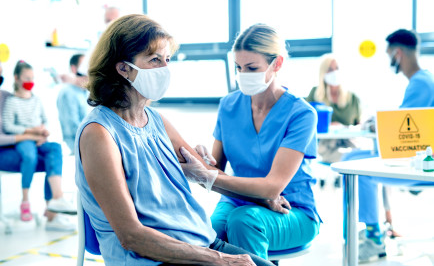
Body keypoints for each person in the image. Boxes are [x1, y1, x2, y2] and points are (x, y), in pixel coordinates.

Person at [75, 13, 278, 266]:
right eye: (154, 60)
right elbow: (131, 236)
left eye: (167, 60)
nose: (165, 69)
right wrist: (220, 260)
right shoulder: (99, 134)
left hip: (200, 243)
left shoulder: (156, 120)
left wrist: (260, 197)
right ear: (123, 68)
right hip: (152, 258)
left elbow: (207, 173)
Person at [193, 24, 321, 263]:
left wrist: (208, 175)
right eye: (238, 68)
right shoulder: (228, 106)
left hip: (293, 210)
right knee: (207, 233)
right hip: (235, 200)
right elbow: (213, 173)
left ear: (277, 64)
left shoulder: (301, 114)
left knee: (244, 221)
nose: (243, 75)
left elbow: (272, 187)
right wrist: (202, 162)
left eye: (252, 68)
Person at [349, 29, 434, 263]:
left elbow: (404, 129)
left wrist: (377, 124)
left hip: (422, 166)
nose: (390, 61)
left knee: (358, 169)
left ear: (397, 53)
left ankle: (374, 237)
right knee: (353, 160)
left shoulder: (421, 84)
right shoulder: (423, 81)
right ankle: (372, 230)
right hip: (419, 161)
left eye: (389, 55)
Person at [0, 60, 76, 230]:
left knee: (54, 150)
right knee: (30, 156)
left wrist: (43, 132)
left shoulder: (30, 99)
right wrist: (31, 132)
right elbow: (8, 127)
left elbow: (45, 120)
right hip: (22, 142)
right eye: (26, 78)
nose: (30, 81)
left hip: (35, 139)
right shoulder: (11, 101)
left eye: (32, 78)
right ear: (17, 78)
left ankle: (56, 202)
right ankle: (26, 200)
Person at [305, 54, 361, 164]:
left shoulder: (353, 98)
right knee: (347, 159)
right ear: (323, 73)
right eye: (330, 69)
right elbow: (306, 122)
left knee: (355, 156)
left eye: (337, 68)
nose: (334, 72)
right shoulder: (315, 94)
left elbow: (359, 125)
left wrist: (344, 127)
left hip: (348, 143)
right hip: (324, 145)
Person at [57, 54, 89, 154]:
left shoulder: (85, 91)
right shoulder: (68, 93)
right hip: (78, 145)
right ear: (74, 69)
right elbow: (72, 127)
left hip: (88, 140)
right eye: (84, 67)